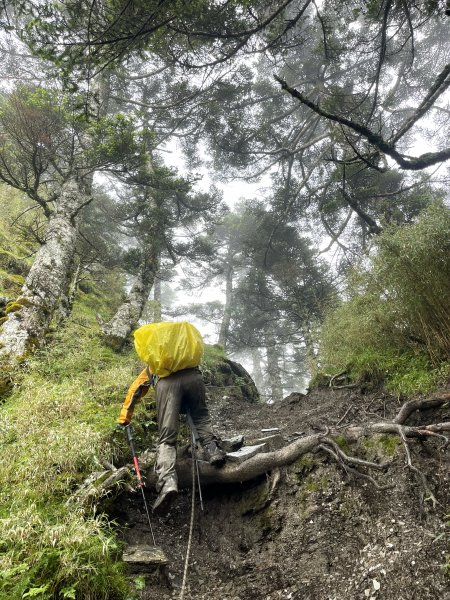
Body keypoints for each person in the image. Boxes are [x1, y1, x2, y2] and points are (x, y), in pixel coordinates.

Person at [117, 364, 225, 514]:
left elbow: (136, 388)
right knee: (201, 418)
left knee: (167, 439)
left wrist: (124, 418)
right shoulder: (185, 354)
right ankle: (214, 450)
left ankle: (168, 482)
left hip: (168, 384)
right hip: (194, 377)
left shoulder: (156, 362)